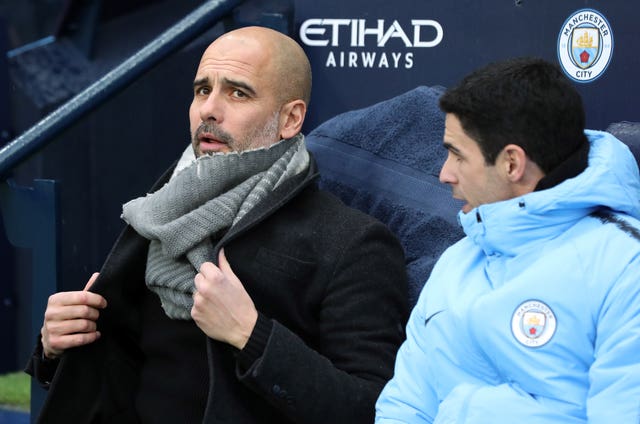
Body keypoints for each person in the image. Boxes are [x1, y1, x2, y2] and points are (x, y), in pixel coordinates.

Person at [26, 25, 408, 423]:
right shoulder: (160, 210)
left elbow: (371, 408)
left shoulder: (351, 241)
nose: (209, 109)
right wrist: (55, 348)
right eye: (202, 90)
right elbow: (122, 362)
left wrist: (250, 334)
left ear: (291, 118)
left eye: (237, 92)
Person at [375, 57, 640, 423]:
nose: (444, 174)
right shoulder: (456, 262)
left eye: (456, 154)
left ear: (512, 163)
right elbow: (404, 406)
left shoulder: (626, 267)